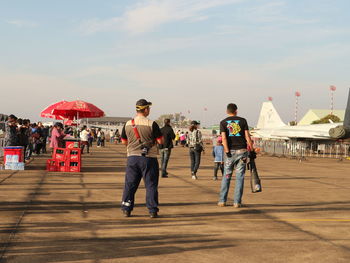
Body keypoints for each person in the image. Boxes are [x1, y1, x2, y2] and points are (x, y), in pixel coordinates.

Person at [120, 99, 163, 218]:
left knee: (130, 184)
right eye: (148, 108)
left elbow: (124, 141)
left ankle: (126, 208)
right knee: (151, 185)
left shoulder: (128, 124)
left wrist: (133, 146)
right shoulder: (151, 123)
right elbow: (160, 141)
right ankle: (152, 210)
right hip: (149, 158)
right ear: (145, 109)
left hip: (132, 158)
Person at [218, 103, 255, 208]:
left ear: (227, 111)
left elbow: (224, 138)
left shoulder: (223, 122)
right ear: (236, 111)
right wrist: (251, 150)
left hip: (230, 152)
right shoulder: (243, 121)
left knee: (226, 176)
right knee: (240, 177)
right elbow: (247, 137)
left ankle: (222, 201)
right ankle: (237, 202)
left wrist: (226, 151)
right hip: (242, 151)